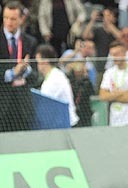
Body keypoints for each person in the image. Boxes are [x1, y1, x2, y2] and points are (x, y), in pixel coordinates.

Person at [1, 0, 37, 132]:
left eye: (13, 19)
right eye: (6, 18)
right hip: (2, 106)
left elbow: (36, 76)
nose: (9, 22)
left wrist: (26, 71)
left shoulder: (30, 42)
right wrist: (11, 74)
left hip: (23, 107)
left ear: (22, 19)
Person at [35, 44, 79, 127]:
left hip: (66, 124)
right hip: (60, 123)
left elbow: (45, 105)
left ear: (45, 61)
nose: (37, 65)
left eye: (38, 61)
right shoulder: (53, 75)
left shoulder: (55, 78)